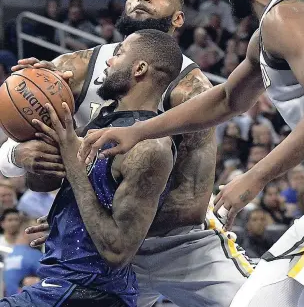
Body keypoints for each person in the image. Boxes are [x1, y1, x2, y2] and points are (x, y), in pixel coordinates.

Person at [79, 0, 304, 307]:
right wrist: (140, 132)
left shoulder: (287, 15)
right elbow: (227, 99)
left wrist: (256, 176)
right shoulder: (272, 30)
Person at [1, 0, 252, 306]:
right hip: (105, 251)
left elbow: (191, 201)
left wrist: (92, 219)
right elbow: (29, 167)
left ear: (179, 18)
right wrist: (19, 155)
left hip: (171, 244)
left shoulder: (191, 92)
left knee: (255, 299)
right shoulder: (74, 69)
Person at [1, 29, 181, 306]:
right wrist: (44, 106)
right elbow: (41, 183)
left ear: (140, 68)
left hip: (89, 292)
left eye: (118, 54)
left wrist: (73, 164)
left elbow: (117, 251)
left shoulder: (151, 147)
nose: (108, 62)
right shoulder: (100, 125)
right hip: (61, 284)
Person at [4, 218, 43, 297]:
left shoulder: (9, 255)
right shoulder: (33, 255)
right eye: (36, 231)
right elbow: (53, 277)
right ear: (26, 232)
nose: (41, 235)